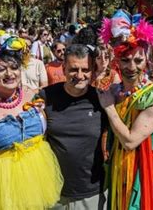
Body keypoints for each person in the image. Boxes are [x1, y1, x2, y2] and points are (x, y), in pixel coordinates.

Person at [0, 33, 63, 209]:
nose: (9, 74)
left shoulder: (32, 95)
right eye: (1, 69)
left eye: (14, 67)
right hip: (0, 186)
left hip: (37, 179)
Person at [97, 10, 153, 210]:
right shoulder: (113, 90)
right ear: (117, 61)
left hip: (141, 173)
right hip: (116, 168)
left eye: (138, 60)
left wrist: (110, 108)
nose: (131, 66)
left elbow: (130, 141)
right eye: (125, 60)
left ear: (147, 61)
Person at [43, 44, 108, 210]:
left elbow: (126, 128)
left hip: (90, 193)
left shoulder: (102, 100)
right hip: (52, 191)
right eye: (73, 69)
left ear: (92, 70)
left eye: (85, 70)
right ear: (63, 68)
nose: (80, 75)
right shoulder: (45, 97)